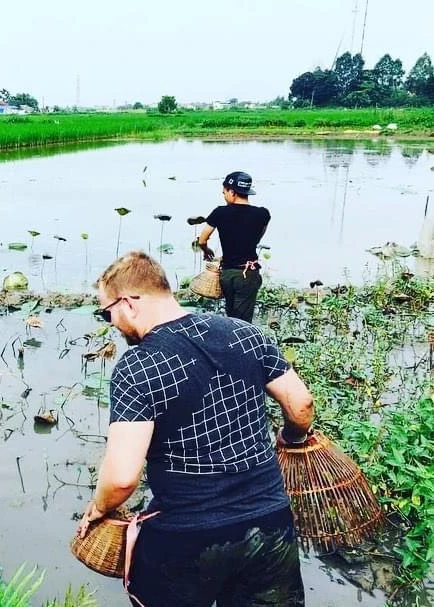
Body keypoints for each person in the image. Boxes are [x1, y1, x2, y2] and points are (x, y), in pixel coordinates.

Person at [77, 251, 314, 607]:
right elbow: (301, 406)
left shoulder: (138, 365)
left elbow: (123, 478)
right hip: (269, 526)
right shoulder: (246, 333)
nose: (110, 322)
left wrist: (98, 508)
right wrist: (291, 439)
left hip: (187, 540)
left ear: (128, 303)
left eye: (107, 312)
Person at [197, 171, 270, 323]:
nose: (224, 196)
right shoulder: (262, 214)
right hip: (247, 274)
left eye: (224, 193)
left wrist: (206, 251)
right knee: (243, 321)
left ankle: (232, 342)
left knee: (231, 316)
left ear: (232, 192)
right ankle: (241, 343)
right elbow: (258, 237)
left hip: (227, 274)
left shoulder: (220, 213)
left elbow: (202, 239)